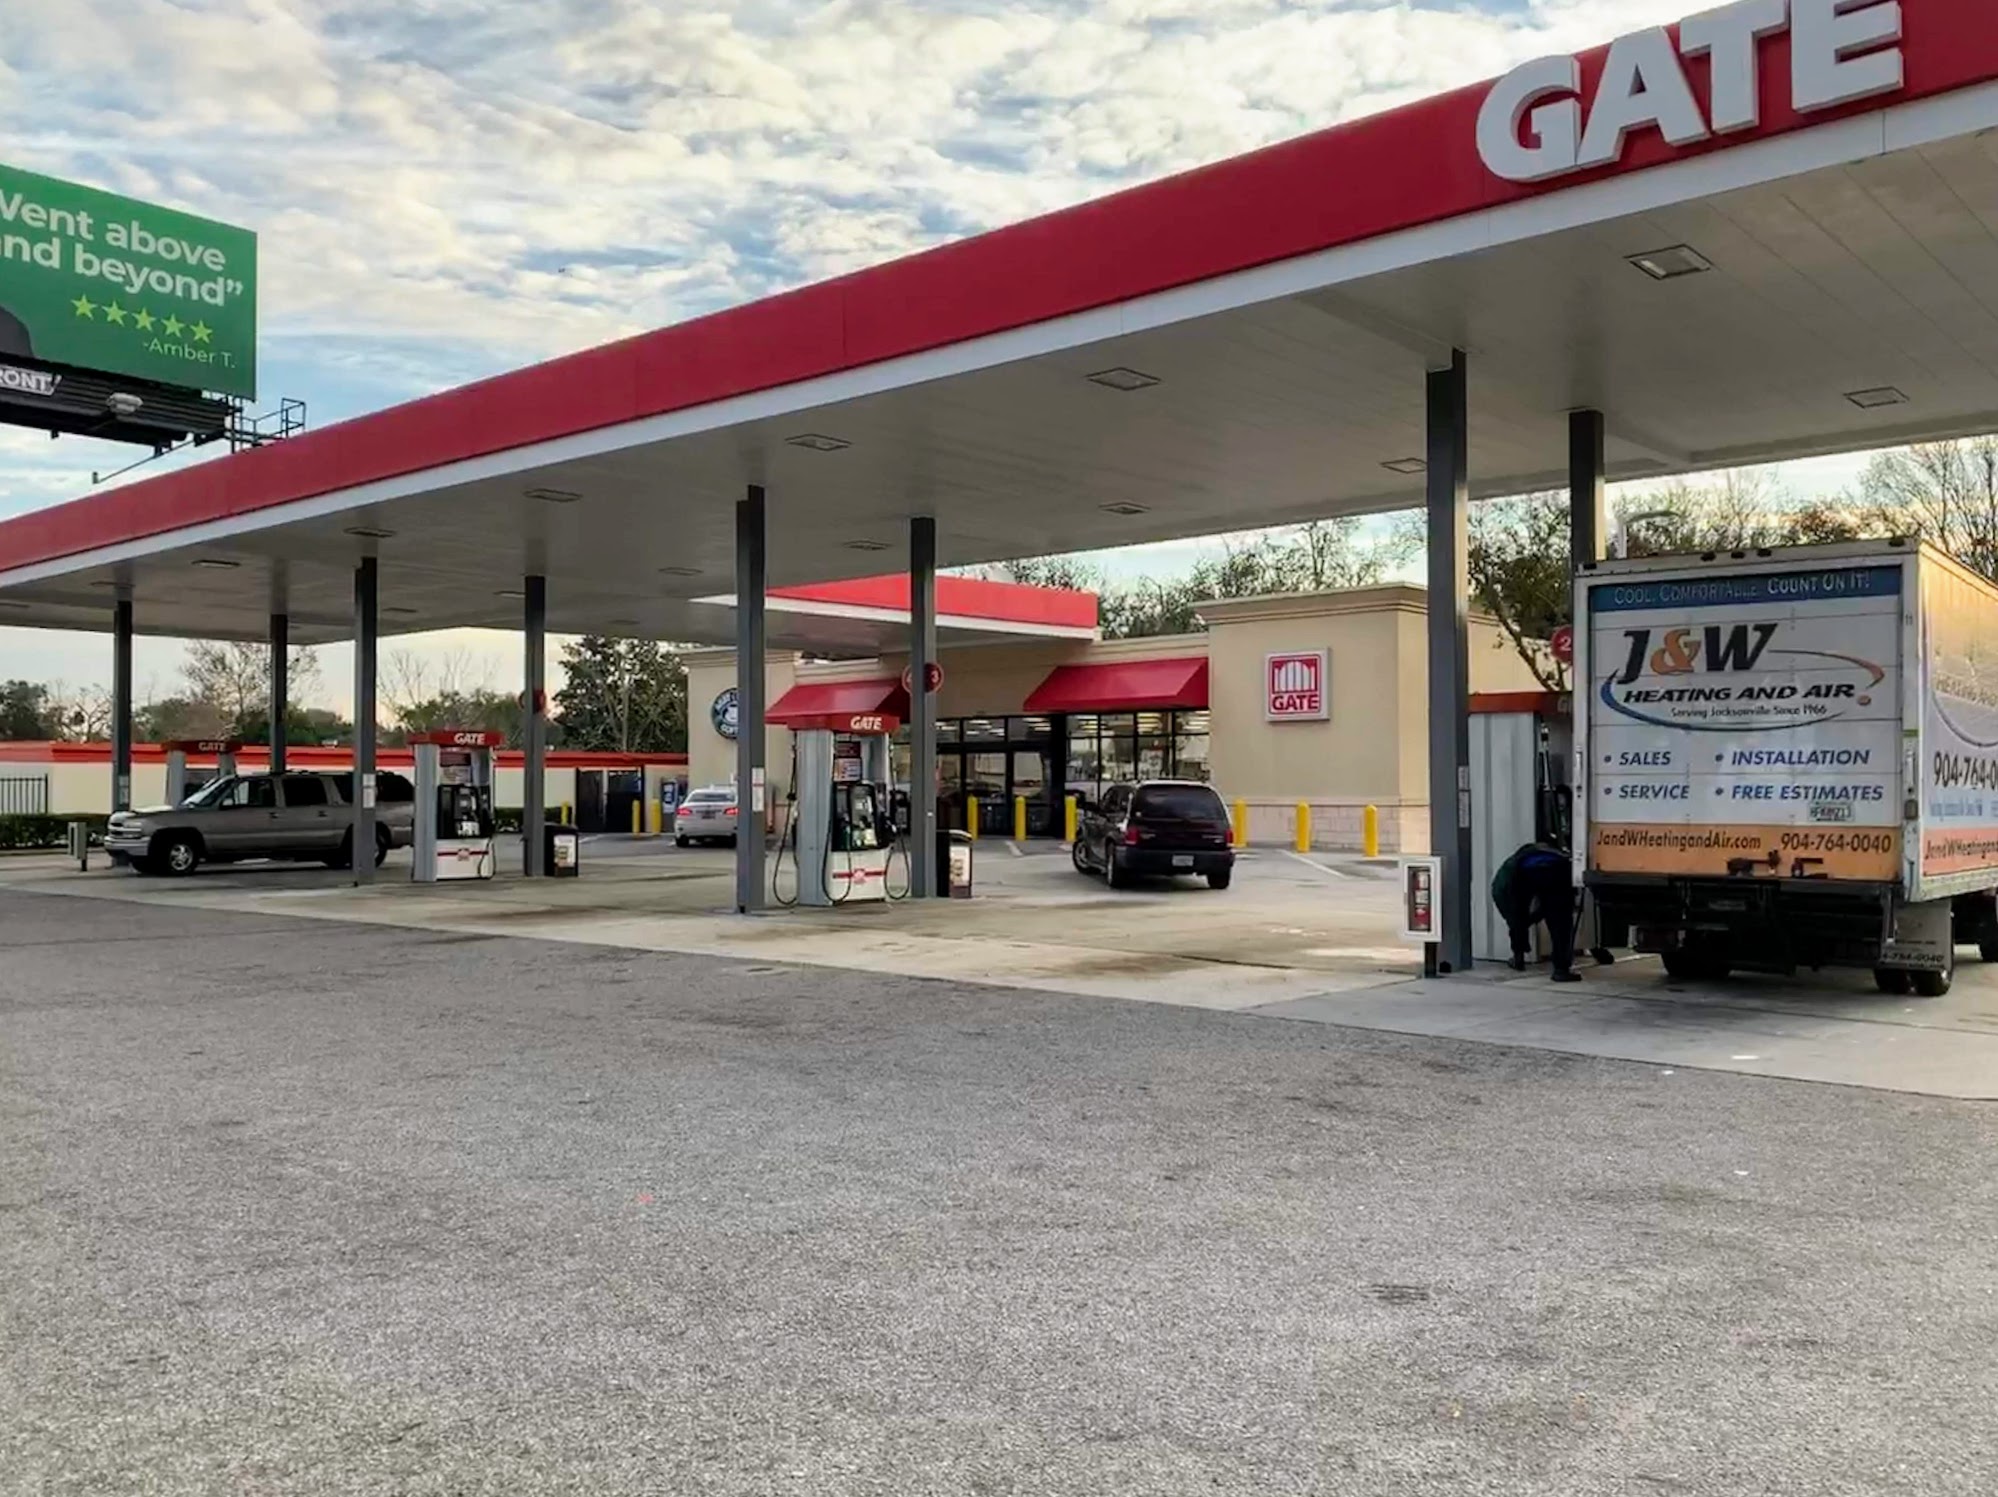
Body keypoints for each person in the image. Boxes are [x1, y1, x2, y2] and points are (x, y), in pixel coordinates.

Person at [1491, 841, 1580, 982]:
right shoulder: (1511, 872)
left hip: (1533, 871)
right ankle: (1560, 970)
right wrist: (1532, 919)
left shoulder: (1502, 887)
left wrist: (1527, 922)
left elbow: (1516, 919)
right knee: (1560, 921)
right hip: (1559, 868)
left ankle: (1518, 959)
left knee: (1520, 918)